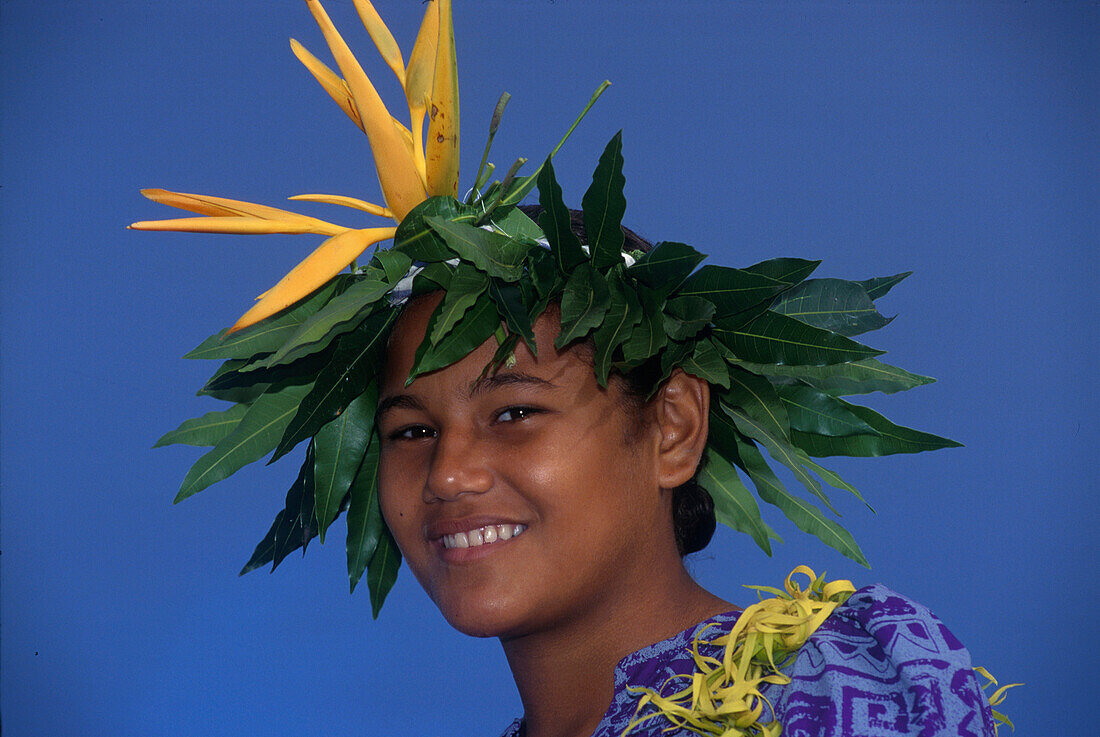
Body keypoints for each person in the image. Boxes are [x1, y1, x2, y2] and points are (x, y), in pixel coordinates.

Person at [133, 2, 1014, 735]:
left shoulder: (839, 683)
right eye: (410, 430)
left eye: (514, 411)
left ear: (673, 424)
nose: (448, 473)